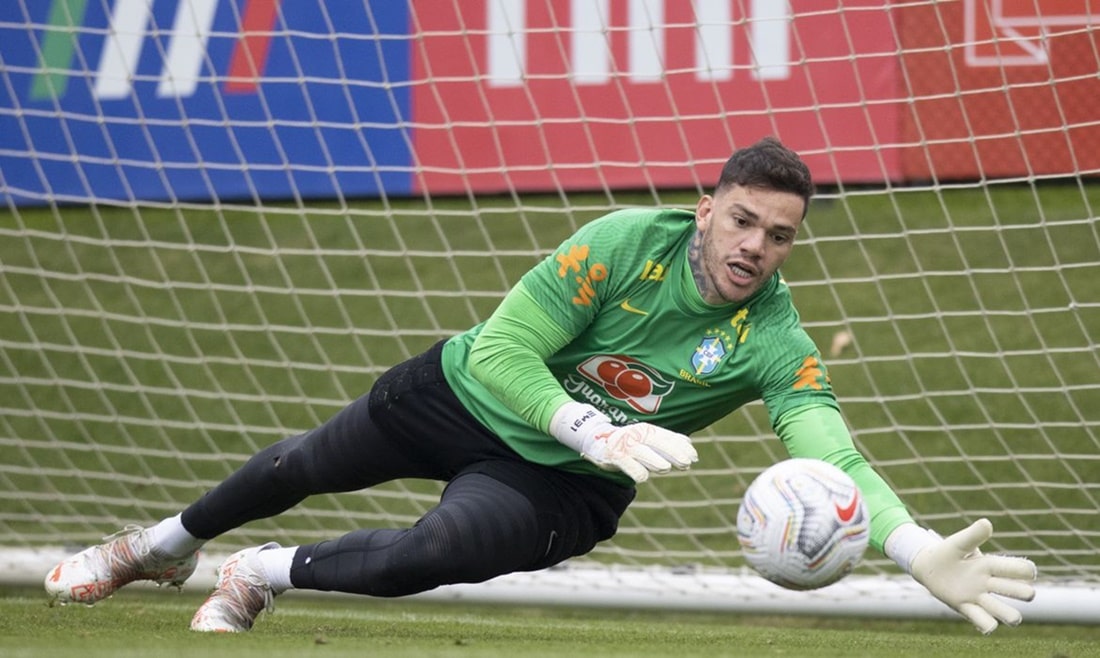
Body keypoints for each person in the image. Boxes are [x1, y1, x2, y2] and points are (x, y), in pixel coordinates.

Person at [44, 137, 1036, 634]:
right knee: (304, 459)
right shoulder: (617, 243)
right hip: (462, 391)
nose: (754, 248)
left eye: (778, 236)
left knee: (429, 556)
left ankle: (260, 571)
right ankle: (157, 545)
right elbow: (508, 347)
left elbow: (829, 445)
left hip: (560, 484)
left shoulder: (772, 340)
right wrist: (586, 422)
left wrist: (907, 548)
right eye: (741, 221)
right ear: (706, 209)